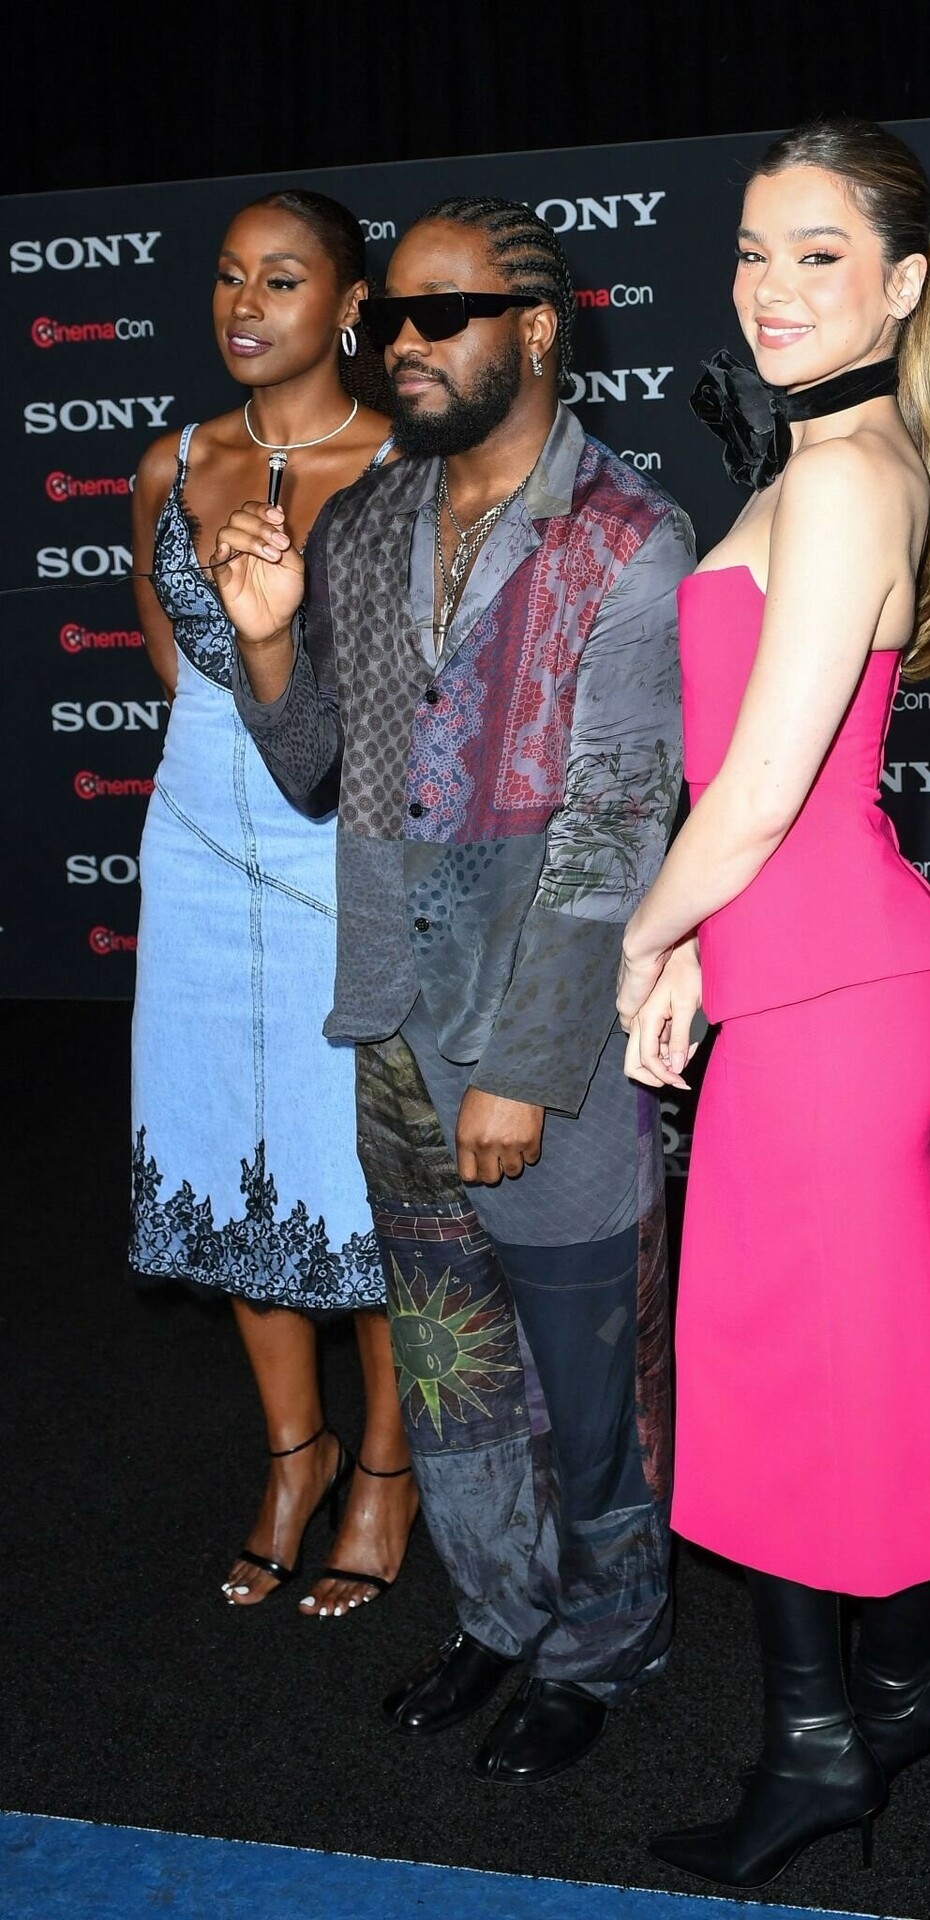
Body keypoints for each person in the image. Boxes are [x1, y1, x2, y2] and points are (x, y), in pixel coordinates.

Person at [213, 196, 692, 1782]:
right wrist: (266, 647)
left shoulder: (627, 537)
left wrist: (522, 1066)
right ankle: (497, 1616)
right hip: (392, 1026)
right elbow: (313, 767)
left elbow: (615, 823)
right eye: (388, 320)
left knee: (587, 1381)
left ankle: (607, 1641)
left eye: (441, 315)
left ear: (535, 330)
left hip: (548, 1043)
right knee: (446, 1359)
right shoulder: (363, 524)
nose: (398, 345)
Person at [616, 118, 930, 1890]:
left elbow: (766, 791)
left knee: (795, 1365)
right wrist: (709, 954)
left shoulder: (848, 476)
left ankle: (821, 1746)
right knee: (821, 1358)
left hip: (835, 984)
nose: (770, 289)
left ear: (902, 285)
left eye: (819, 254)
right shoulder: (820, 462)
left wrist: (642, 941)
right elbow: (771, 779)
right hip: (802, 968)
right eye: (751, 251)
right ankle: (895, 1695)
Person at [130, 189, 420, 1620]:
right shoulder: (172, 462)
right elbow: (171, 666)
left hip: (341, 849)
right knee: (222, 1142)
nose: (245, 305)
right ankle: (292, 1456)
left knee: (357, 1167)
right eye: (229, 277)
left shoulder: (406, 466)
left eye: (284, 279)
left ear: (352, 305)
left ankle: (387, 1468)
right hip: (196, 844)